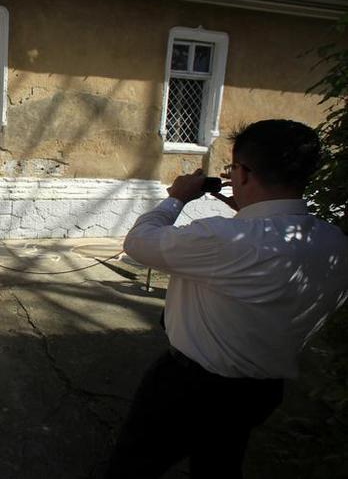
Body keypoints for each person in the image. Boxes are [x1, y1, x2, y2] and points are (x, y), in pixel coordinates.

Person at [107, 119, 348, 478]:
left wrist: (177, 198)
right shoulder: (334, 242)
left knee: (133, 466)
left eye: (233, 169)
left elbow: (139, 241)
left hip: (189, 389)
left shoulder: (224, 239)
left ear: (245, 172)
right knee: (219, 465)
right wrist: (250, 212)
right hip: (260, 392)